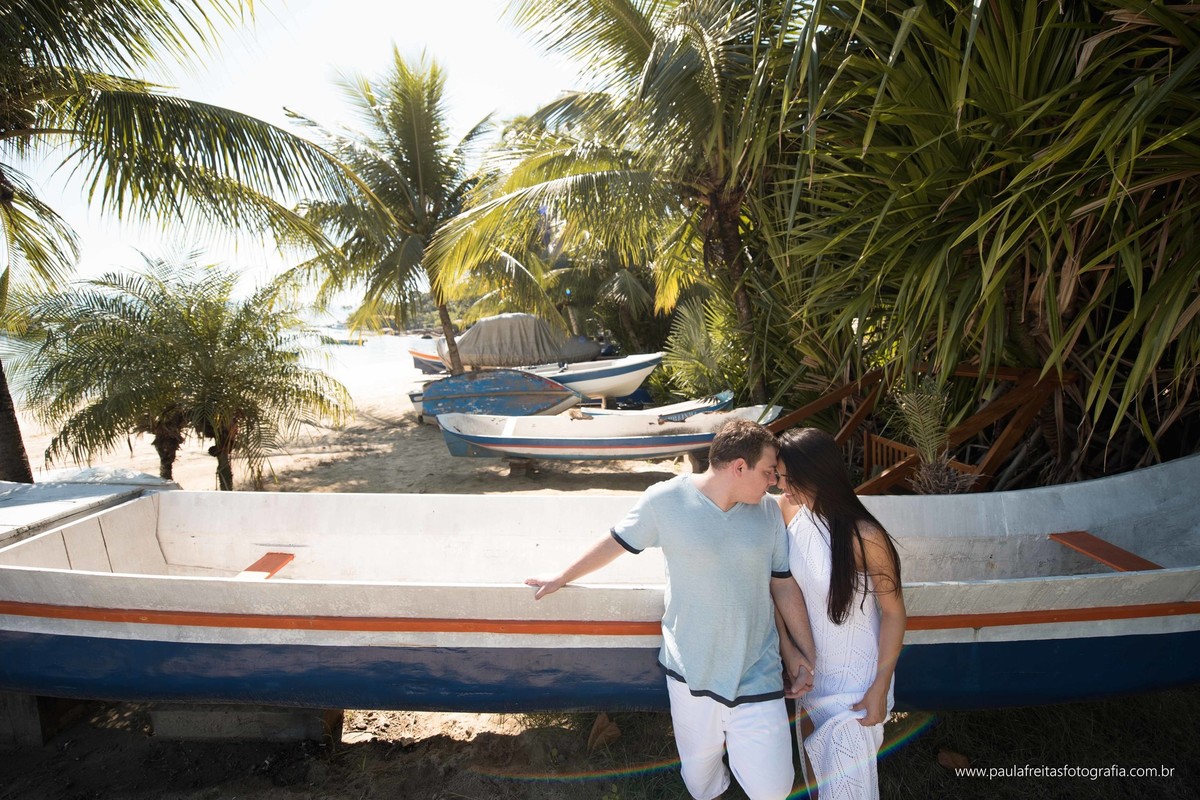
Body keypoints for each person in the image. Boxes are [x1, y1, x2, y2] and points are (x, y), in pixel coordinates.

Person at [526, 419, 817, 800]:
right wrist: (562, 576)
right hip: (690, 673)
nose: (774, 482)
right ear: (739, 467)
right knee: (700, 784)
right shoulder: (665, 500)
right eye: (767, 472)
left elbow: (782, 585)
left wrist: (805, 653)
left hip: (757, 671)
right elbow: (616, 541)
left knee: (774, 788)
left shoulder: (767, 513)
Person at [773, 427, 906, 799]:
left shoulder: (866, 536)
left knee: (847, 787)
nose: (780, 485)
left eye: (786, 477)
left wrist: (879, 687)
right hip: (811, 671)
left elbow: (894, 613)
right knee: (817, 781)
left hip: (858, 683)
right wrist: (790, 651)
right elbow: (778, 585)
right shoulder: (788, 510)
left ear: (813, 475)